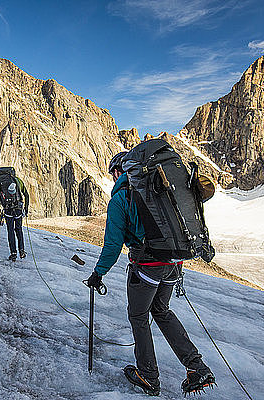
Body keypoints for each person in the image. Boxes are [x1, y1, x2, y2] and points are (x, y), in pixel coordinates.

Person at [85, 151, 214, 396]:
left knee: (138, 316)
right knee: (162, 311)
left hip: (145, 268)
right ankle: (197, 367)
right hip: (174, 263)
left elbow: (113, 245)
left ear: (118, 171)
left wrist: (98, 273)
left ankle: (148, 375)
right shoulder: (160, 191)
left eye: (114, 173)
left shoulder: (122, 198)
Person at [0, 172, 30, 261]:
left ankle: (13, 253)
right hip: (18, 210)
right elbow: (26, 194)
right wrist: (26, 209)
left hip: (7, 210)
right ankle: (21, 250)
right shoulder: (18, 181)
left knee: (10, 231)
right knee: (19, 229)